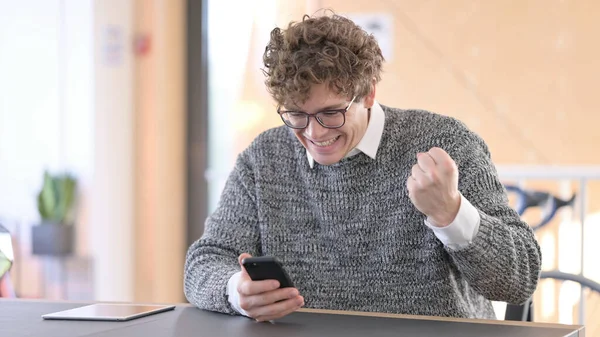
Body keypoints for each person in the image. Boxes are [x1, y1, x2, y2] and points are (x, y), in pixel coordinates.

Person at [184, 12, 541, 322]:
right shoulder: (264, 158)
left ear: (368, 92)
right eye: (296, 114)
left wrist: (451, 213)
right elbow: (205, 261)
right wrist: (235, 291)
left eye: (330, 112)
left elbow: (519, 278)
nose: (315, 132)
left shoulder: (445, 143)